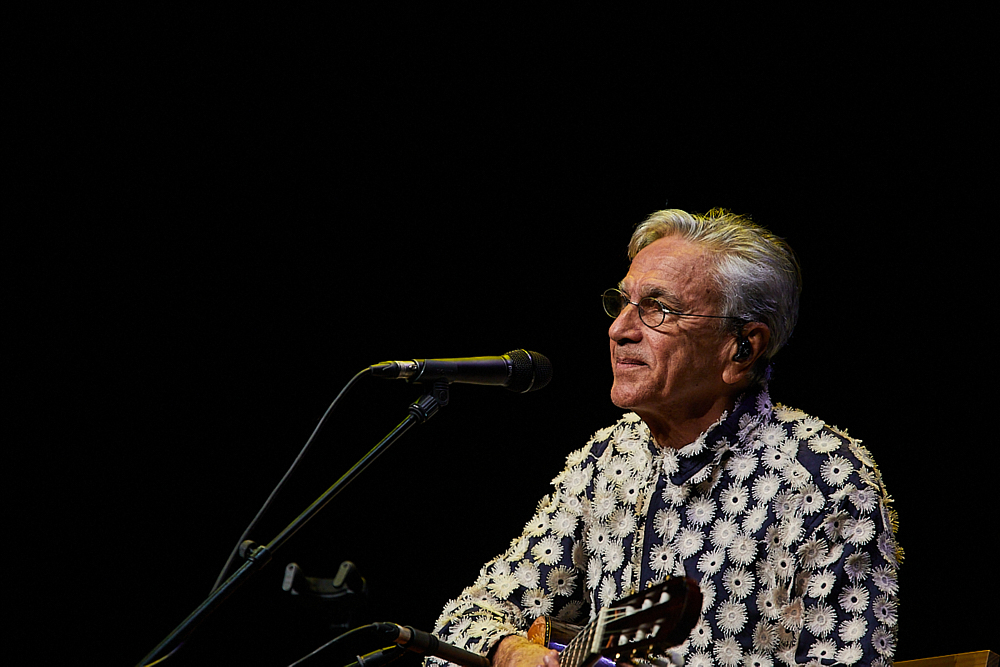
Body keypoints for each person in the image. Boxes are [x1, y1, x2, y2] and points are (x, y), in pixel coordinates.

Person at [429, 208, 902, 667]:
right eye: (623, 303)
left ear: (742, 348)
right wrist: (512, 652)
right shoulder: (607, 460)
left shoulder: (827, 480)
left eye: (658, 309)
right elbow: (467, 619)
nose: (619, 330)